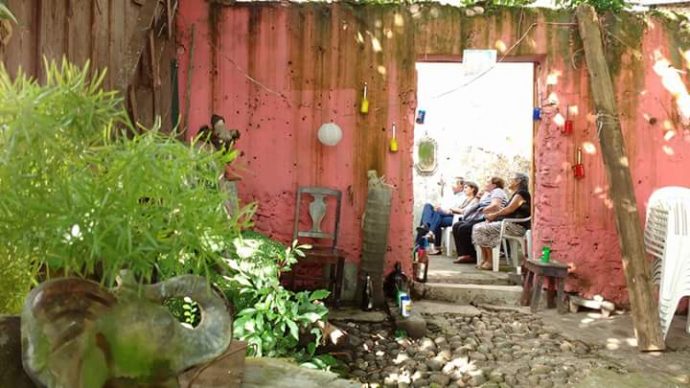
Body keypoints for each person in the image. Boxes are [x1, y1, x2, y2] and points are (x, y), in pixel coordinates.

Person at [473, 172, 531, 270]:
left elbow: (508, 209)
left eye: (512, 178)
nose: (509, 181)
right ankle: (486, 258)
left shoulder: (522, 194)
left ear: (518, 181)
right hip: (509, 224)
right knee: (478, 227)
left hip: (517, 226)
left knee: (482, 228)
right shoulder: (517, 194)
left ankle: (490, 260)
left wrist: (493, 215)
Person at [452, 177, 508, 263]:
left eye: (487, 182)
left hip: (488, 217)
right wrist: (478, 198)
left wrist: (484, 210)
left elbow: (496, 205)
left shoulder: (497, 191)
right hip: (481, 216)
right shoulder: (489, 194)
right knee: (457, 225)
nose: (485, 184)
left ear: (493, 185)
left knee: (464, 228)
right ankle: (463, 254)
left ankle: (471, 255)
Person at [417, 177, 470, 254]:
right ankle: (426, 226)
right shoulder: (450, 194)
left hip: (452, 217)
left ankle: (426, 237)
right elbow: (442, 204)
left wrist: (445, 210)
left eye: (454, 184)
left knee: (437, 215)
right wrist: (438, 207)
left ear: (460, 186)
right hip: (441, 215)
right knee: (428, 206)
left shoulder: (463, 197)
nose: (452, 185)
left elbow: (459, 210)